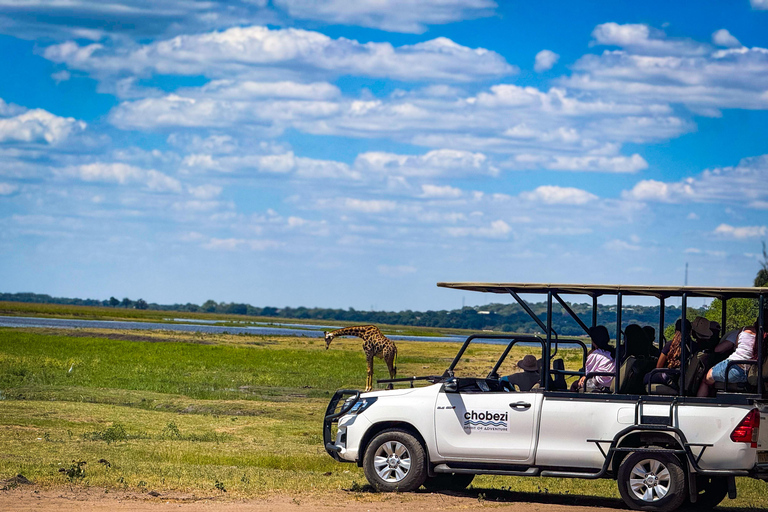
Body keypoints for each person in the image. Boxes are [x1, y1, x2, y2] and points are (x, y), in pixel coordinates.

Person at [697, 320, 758, 397]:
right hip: (749, 372)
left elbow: (719, 349)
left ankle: (701, 404)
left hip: (734, 366)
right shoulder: (763, 336)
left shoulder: (744, 329)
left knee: (706, 379)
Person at [644, 318, 694, 387]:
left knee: (645, 377)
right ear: (690, 331)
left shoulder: (670, 345)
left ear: (675, 330)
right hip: (684, 380)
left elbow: (658, 366)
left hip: (670, 379)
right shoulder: (694, 346)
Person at [574, 325, 615, 392]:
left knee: (575, 385)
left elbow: (588, 372)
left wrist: (584, 376)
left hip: (599, 383)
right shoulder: (612, 352)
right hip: (610, 382)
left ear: (594, 341)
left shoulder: (595, 354)